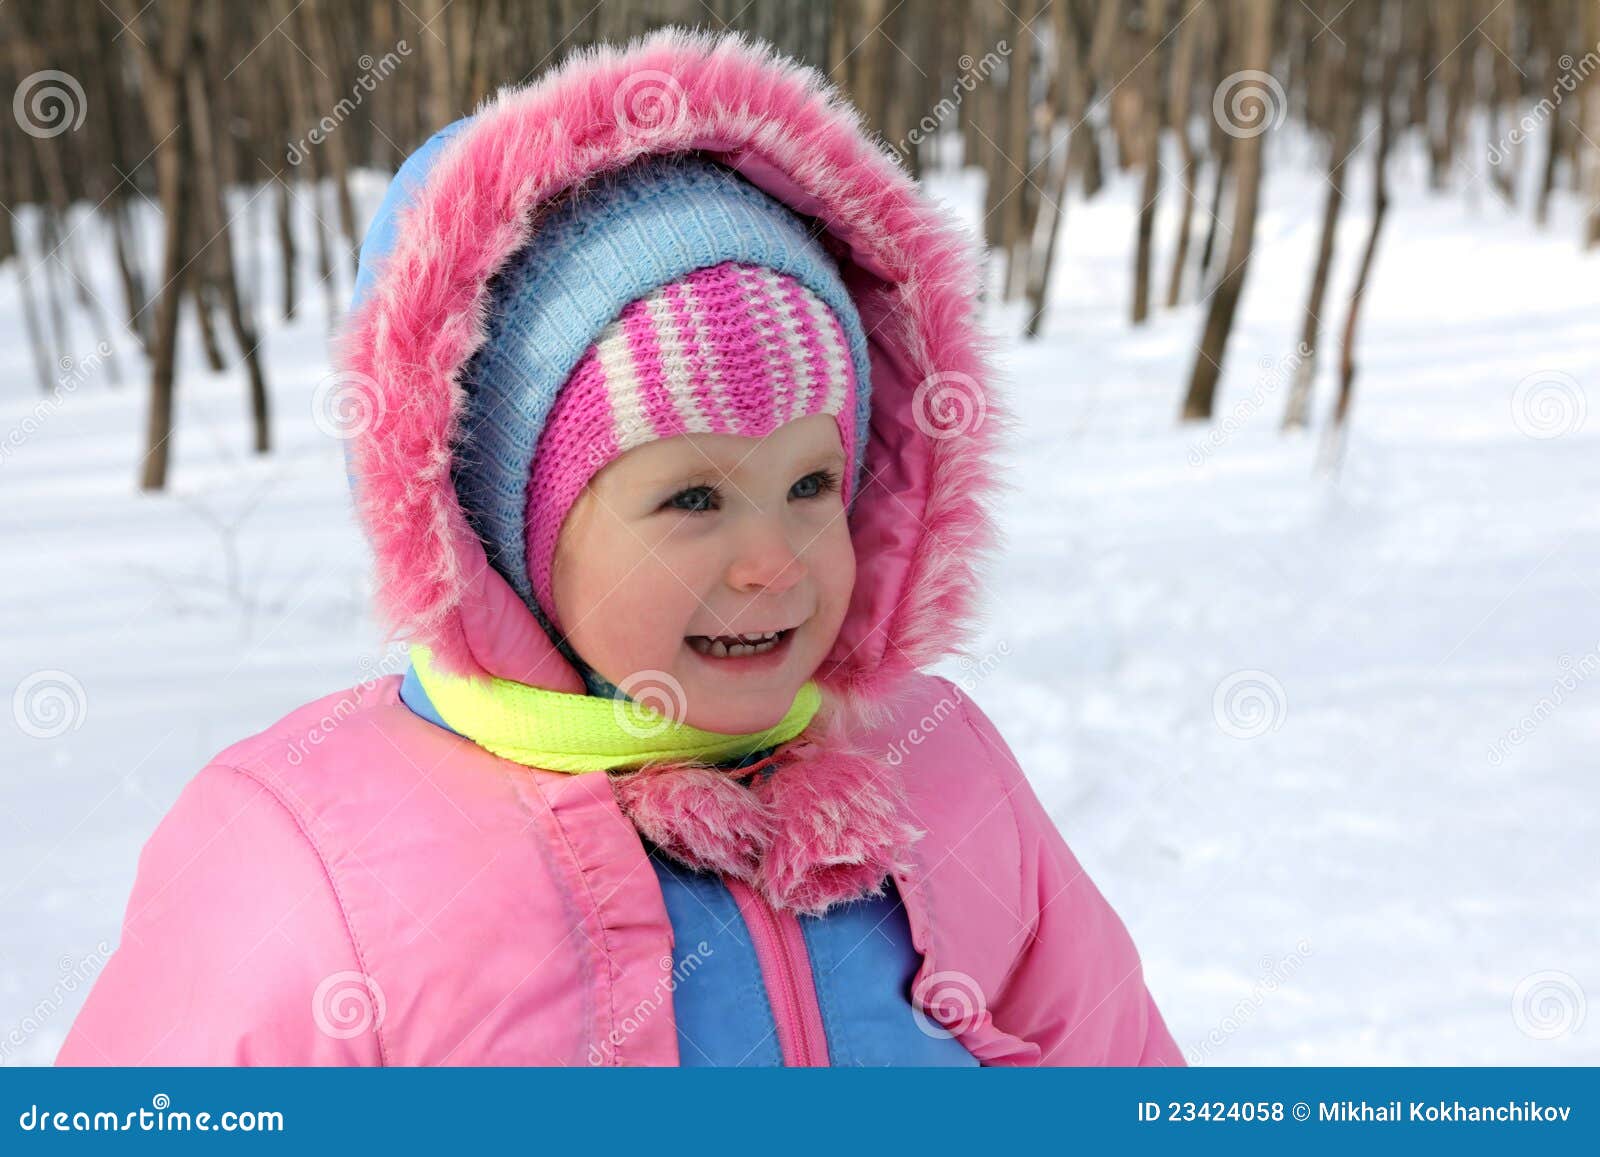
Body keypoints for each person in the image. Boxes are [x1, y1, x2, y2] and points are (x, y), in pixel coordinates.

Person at [57, 28, 1181, 1067]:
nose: (774, 561)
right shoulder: (312, 850)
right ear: (508, 530)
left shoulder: (941, 767)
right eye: (692, 496)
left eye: (810, 484)